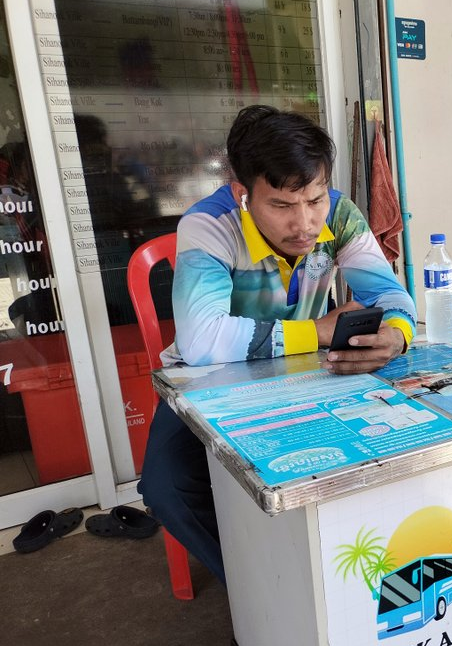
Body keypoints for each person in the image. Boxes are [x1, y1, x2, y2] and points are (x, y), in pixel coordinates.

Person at [139, 105, 415, 584]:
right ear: (243, 195)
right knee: (167, 488)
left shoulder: (340, 214)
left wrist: (396, 334)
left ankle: (331, 581)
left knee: (387, 449)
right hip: (208, 381)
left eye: (314, 199)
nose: (305, 223)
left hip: (308, 372)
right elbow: (202, 341)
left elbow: (391, 296)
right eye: (282, 206)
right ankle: (256, 589)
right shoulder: (208, 226)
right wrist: (320, 332)